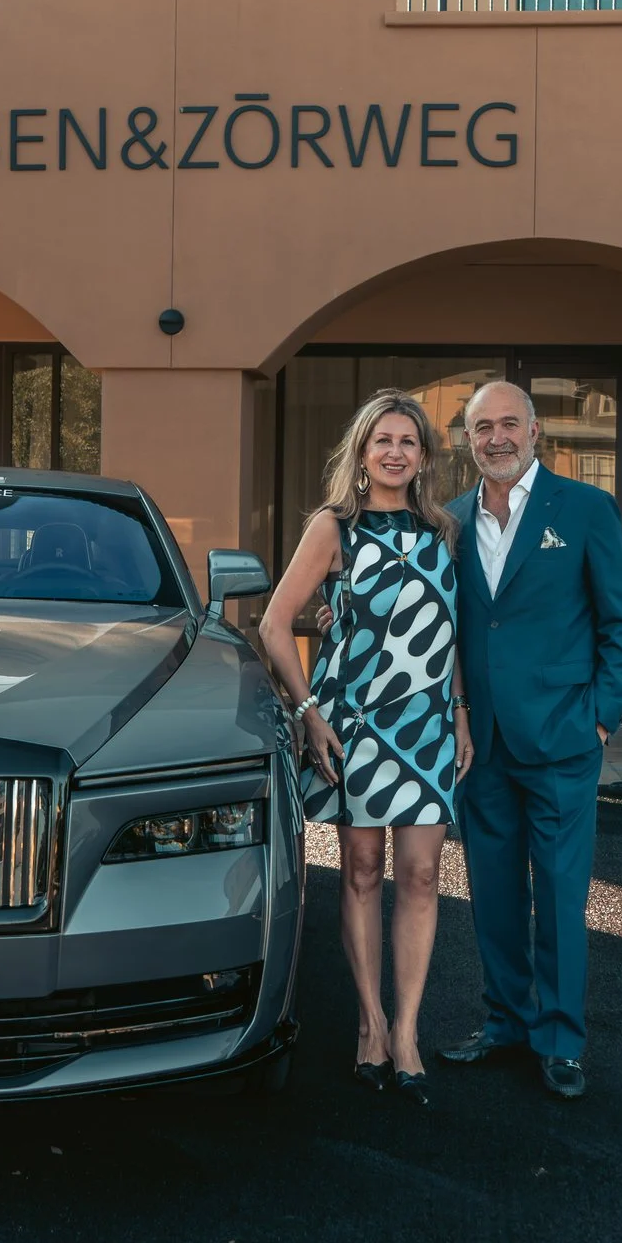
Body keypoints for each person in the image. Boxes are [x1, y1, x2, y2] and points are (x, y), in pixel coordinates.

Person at [260, 390, 473, 1108]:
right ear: (361, 450)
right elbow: (274, 623)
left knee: (419, 876)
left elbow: (454, 632)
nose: (394, 452)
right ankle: (369, 1024)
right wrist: (310, 712)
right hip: (355, 722)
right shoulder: (335, 526)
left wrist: (463, 715)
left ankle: (408, 1030)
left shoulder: (443, 530)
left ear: (423, 457)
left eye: (408, 442)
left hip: (429, 725)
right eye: (382, 439)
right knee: (359, 869)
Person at [439, 381, 622, 1101]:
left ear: (535, 431)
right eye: (482, 427)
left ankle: (559, 1040)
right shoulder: (452, 521)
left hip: (562, 738)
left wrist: (600, 717)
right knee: (491, 897)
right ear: (468, 440)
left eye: (508, 424)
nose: (496, 437)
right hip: (482, 746)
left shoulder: (585, 508)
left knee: (558, 897)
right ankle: (504, 1024)